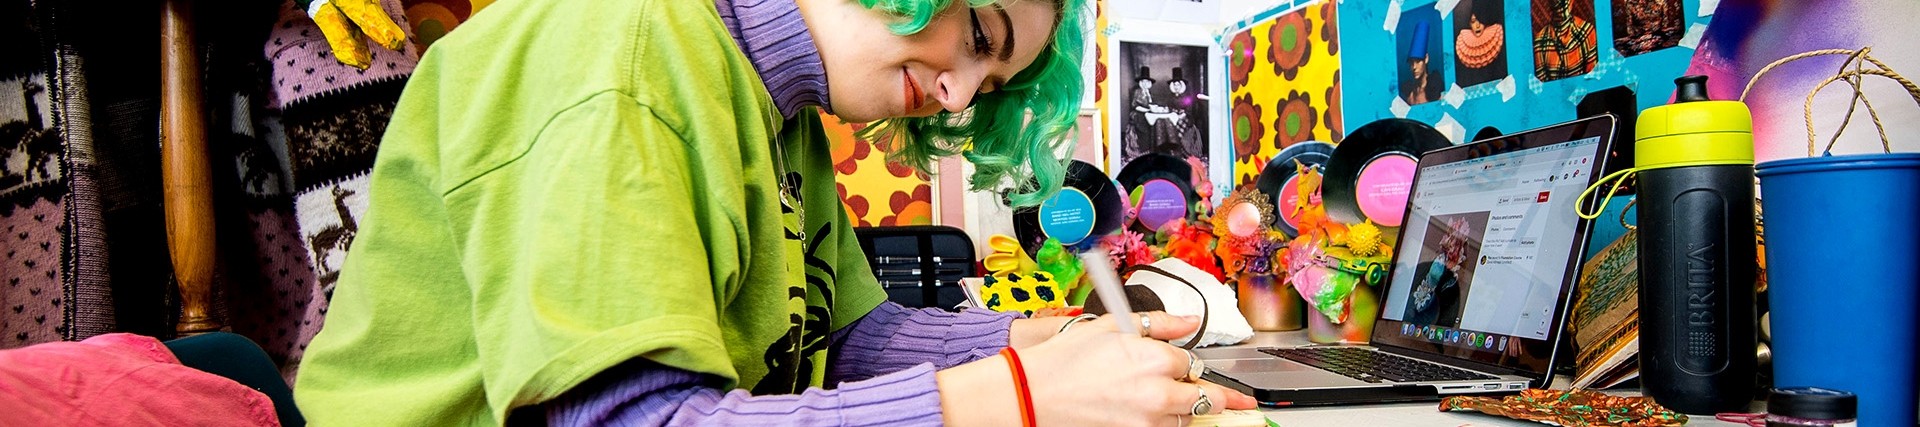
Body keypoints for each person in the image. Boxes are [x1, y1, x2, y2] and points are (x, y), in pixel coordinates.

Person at [290, 0, 1257, 425]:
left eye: (991, 78)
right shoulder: (617, 60)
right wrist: (1020, 397)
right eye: (976, 36)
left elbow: (851, 329)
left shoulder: (781, 100)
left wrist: (1040, 342)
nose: (963, 93)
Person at [1404, 217, 1473, 327]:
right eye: (1448, 239)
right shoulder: (1427, 267)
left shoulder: (1452, 286)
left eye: (1455, 244)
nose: (1450, 245)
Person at [1533, 0, 1597, 80]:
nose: (1562, 2)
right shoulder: (1540, 41)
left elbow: (1593, 81)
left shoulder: (1588, 32)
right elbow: (1544, 89)